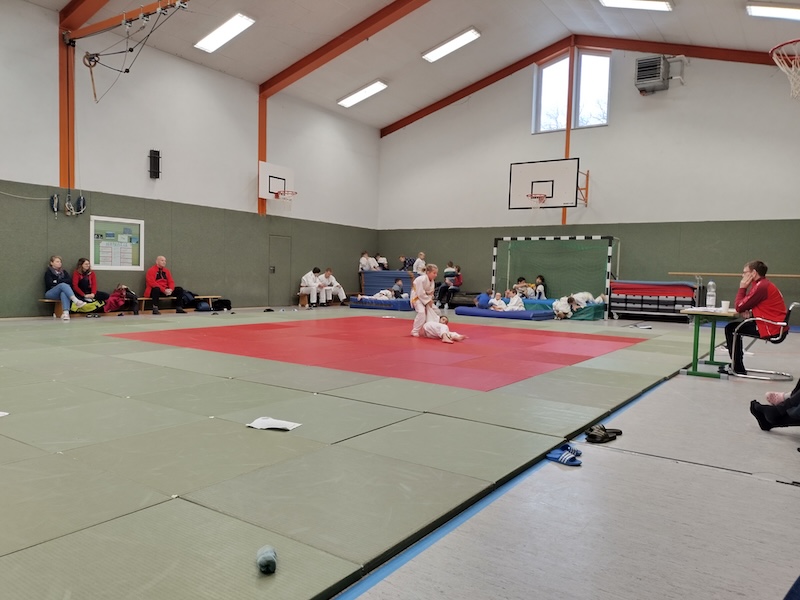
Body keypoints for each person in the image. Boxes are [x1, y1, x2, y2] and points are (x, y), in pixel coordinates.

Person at [723, 260, 786, 376]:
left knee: (731, 329)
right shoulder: (762, 284)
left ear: (753, 273)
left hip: (772, 328)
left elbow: (739, 306)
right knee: (734, 327)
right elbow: (746, 305)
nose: (742, 275)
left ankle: (737, 368)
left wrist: (742, 288)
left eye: (745, 272)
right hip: (774, 325)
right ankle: (737, 365)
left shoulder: (761, 287)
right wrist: (750, 312)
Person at [44, 255, 86, 321]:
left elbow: (69, 281)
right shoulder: (48, 272)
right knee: (63, 285)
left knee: (64, 293)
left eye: (60, 262)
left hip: (60, 293)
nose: (59, 263)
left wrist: (56, 281)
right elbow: (50, 283)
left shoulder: (64, 272)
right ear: (51, 263)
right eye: (57, 261)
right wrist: (61, 282)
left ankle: (66, 314)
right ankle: (75, 300)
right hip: (51, 293)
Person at [410, 263, 438, 337]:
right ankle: (415, 330)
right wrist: (428, 301)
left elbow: (431, 292)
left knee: (436, 311)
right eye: (434, 273)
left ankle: (428, 330)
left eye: (436, 273)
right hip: (416, 297)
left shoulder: (432, 281)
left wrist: (430, 299)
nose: (436, 275)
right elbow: (420, 293)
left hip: (426, 298)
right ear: (428, 272)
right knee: (421, 312)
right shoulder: (421, 279)